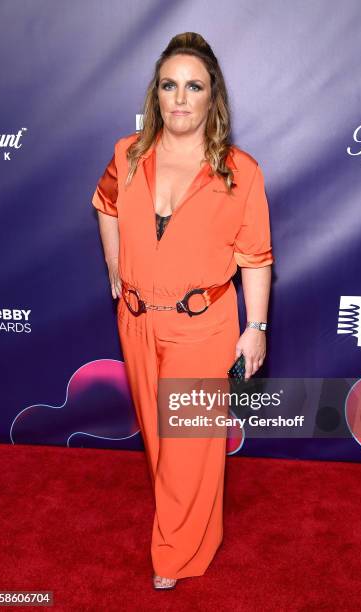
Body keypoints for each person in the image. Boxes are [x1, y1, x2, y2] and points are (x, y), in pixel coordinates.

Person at [91, 32, 274, 590]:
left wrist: (256, 328)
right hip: (139, 321)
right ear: (157, 94)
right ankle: (196, 526)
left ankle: (176, 555)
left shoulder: (240, 171)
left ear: (211, 96)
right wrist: (116, 271)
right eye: (169, 85)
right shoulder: (129, 154)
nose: (180, 98)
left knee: (190, 447)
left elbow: (255, 257)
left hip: (204, 326)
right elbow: (104, 204)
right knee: (162, 445)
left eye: (193, 86)